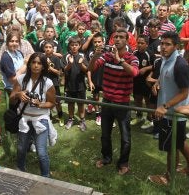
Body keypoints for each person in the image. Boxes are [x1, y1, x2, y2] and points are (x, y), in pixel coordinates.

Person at [88, 28, 139, 175]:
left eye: (121, 37)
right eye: (115, 37)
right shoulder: (107, 56)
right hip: (107, 101)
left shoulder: (131, 58)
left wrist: (120, 60)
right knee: (105, 134)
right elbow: (91, 68)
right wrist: (95, 56)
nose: (117, 39)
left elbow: (134, 73)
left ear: (127, 40)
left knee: (125, 137)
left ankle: (123, 163)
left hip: (122, 103)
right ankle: (106, 157)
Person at [148, 31, 189, 185]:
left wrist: (165, 106)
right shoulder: (165, 60)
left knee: (172, 146)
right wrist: (157, 82)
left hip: (173, 113)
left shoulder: (180, 64)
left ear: (176, 46)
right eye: (162, 43)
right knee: (180, 141)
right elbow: (164, 75)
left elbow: (184, 93)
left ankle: (168, 178)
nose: (163, 47)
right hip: (169, 112)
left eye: (167, 44)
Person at [10, 52, 56, 177]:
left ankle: (45, 177)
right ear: (29, 64)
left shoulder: (48, 83)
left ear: (43, 66)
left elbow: (52, 103)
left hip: (41, 119)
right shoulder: (21, 79)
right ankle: (20, 170)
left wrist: (40, 104)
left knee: (41, 152)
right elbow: (11, 99)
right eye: (33, 62)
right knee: (21, 149)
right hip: (24, 119)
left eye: (39, 63)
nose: (36, 65)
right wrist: (19, 94)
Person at [61, 36, 88, 131]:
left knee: (81, 104)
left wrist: (81, 64)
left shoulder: (82, 56)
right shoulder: (66, 56)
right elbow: (63, 70)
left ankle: (82, 120)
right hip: (69, 85)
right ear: (69, 46)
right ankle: (71, 119)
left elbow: (86, 70)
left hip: (80, 85)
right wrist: (70, 64)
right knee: (70, 104)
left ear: (79, 45)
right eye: (72, 45)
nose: (74, 47)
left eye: (76, 45)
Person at [130, 35, 155, 126]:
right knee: (137, 99)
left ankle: (150, 118)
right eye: (138, 43)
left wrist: (145, 68)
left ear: (147, 44)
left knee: (147, 100)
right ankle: (139, 116)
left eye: (142, 43)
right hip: (136, 80)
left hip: (146, 82)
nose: (139, 45)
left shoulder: (150, 54)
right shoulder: (134, 53)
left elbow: (155, 66)